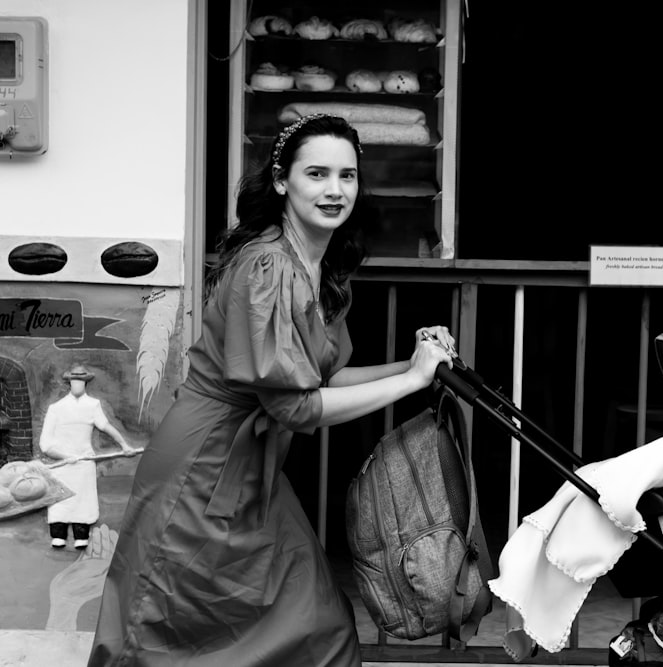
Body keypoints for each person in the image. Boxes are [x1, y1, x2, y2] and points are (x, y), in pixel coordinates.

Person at [88, 113, 456, 666]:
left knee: (316, 627)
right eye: (317, 173)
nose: (335, 190)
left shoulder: (318, 267)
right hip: (202, 470)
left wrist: (414, 363)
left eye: (348, 176)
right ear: (283, 181)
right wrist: (410, 381)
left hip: (252, 470)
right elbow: (297, 404)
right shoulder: (267, 266)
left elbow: (324, 380)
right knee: (164, 634)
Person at [39, 364, 136, 550]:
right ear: (69, 382)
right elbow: (45, 444)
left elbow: (106, 426)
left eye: (81, 381)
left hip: (84, 463)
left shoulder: (93, 405)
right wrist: (65, 455)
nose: (77, 384)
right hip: (62, 464)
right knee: (60, 499)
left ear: (86, 383)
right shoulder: (56, 408)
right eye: (74, 380)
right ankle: (58, 535)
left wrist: (124, 445)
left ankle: (81, 535)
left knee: (83, 501)